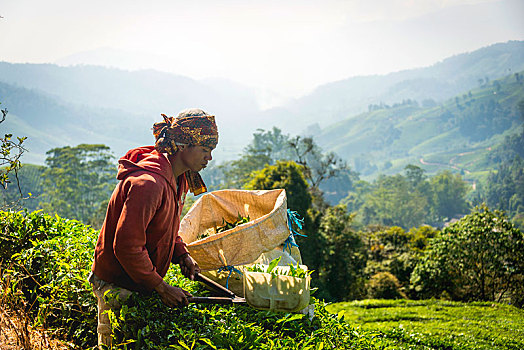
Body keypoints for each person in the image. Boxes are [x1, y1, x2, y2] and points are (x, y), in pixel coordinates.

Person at [88, 108, 218, 348]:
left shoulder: (179, 178)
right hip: (117, 283)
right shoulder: (149, 185)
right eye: (205, 149)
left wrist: (181, 253)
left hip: (139, 280)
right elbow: (127, 246)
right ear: (183, 146)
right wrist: (161, 287)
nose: (209, 157)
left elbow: (165, 225)